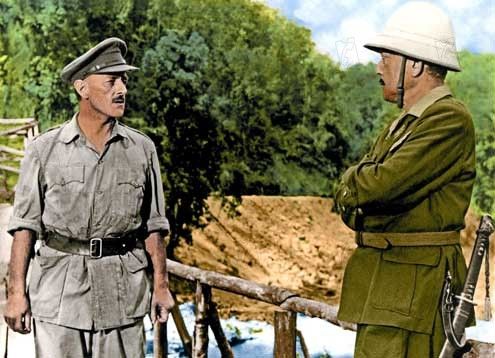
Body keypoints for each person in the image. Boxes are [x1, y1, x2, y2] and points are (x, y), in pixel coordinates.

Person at [4, 37, 174, 357]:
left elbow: (154, 226)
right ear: (82, 88)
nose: (122, 89)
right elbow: (24, 226)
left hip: (124, 294)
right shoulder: (44, 150)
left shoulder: (142, 150)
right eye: (111, 81)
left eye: (124, 80)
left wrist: (162, 287)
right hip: (58, 295)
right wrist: (16, 294)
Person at [334, 2, 475, 357]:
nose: (378, 67)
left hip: (414, 292)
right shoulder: (406, 122)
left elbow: (377, 187)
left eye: (386, 57)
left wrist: (359, 188)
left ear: (414, 65)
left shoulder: (447, 119)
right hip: (392, 287)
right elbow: (360, 192)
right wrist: (360, 189)